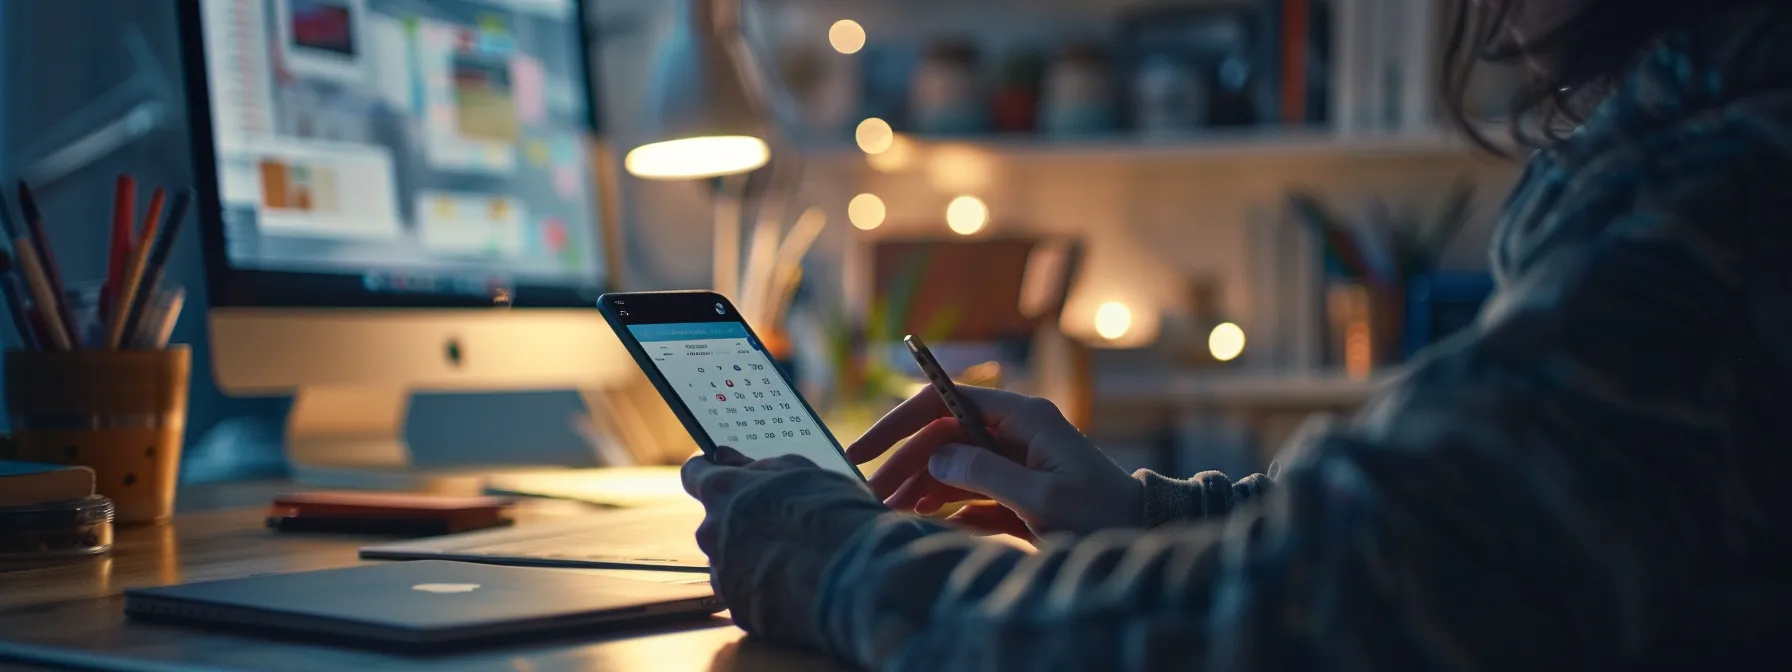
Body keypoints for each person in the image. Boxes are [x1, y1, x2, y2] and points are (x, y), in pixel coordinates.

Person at [680, 0, 1792, 668]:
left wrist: (839, 561)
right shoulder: (1691, 167)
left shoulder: (1720, 206)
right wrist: (1145, 512)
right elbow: (1480, 534)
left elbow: (1292, 621)